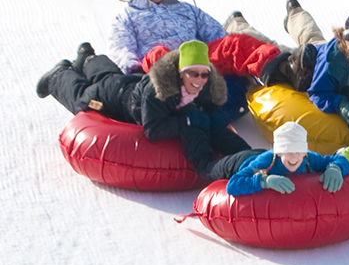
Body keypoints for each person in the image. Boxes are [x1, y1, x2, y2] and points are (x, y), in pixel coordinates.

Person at [36, 40, 255, 180]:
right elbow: (152, 128)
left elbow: (214, 112)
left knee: (110, 77)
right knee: (85, 97)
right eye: (192, 73)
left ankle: (89, 58)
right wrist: (187, 123)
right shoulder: (158, 91)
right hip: (119, 99)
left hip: (131, 83)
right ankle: (59, 74)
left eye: (203, 74)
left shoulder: (206, 86)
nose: (198, 80)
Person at [224, 0, 349, 136]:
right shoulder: (334, 60)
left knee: (312, 35)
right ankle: (236, 24)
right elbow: (317, 92)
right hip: (307, 66)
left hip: (320, 48)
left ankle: (295, 12)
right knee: (272, 48)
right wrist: (341, 105)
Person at [109, 0, 227, 75]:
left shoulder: (189, 11)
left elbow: (218, 36)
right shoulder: (126, 16)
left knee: (235, 45)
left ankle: (248, 78)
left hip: (197, 72)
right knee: (160, 54)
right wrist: (135, 73)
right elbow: (121, 50)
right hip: (156, 77)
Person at [226, 122, 349, 196]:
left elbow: (340, 159)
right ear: (280, 153)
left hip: (258, 153)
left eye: (298, 151)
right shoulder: (266, 161)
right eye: (288, 151)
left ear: (304, 152)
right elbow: (232, 185)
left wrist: (335, 168)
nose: (294, 157)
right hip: (240, 162)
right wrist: (265, 181)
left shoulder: (309, 158)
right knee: (209, 168)